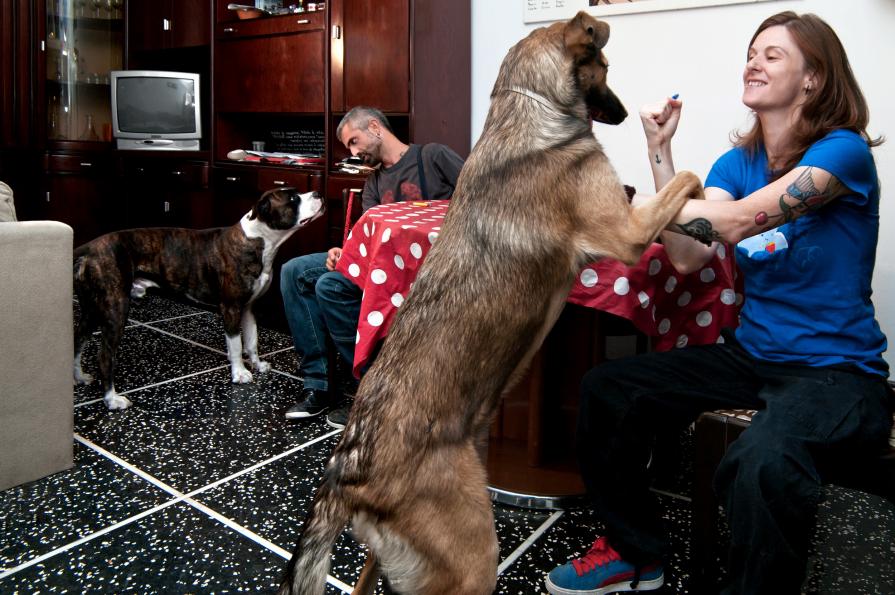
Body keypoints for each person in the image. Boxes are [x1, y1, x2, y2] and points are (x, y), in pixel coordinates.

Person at [547, 11, 892, 595]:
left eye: (772, 54)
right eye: (751, 52)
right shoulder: (738, 162)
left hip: (836, 373)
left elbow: (731, 223)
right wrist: (661, 152)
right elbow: (687, 255)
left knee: (763, 461)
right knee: (609, 389)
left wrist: (616, 207)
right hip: (751, 356)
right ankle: (636, 554)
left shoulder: (843, 154)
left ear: (813, 78)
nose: (753, 62)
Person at [280, 106, 464, 429]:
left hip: (429, 268)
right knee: (293, 272)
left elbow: (480, 196)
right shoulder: (374, 185)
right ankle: (320, 387)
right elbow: (365, 237)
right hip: (379, 268)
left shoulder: (433, 158)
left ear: (376, 128)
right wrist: (344, 250)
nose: (353, 152)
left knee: (329, 287)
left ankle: (378, 390)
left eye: (354, 141)